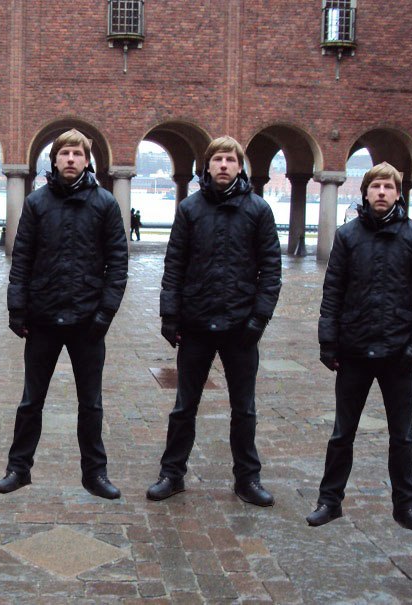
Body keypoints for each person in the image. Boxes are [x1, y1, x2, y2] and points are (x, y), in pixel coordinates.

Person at [146, 136, 282, 505]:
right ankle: (172, 473)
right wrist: (169, 314)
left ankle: (247, 479)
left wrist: (259, 318)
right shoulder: (190, 209)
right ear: (207, 166)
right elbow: (175, 264)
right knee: (184, 406)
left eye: (230, 160)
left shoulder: (258, 210)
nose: (223, 165)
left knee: (244, 408)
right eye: (218, 159)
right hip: (196, 322)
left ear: (240, 166)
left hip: (241, 326)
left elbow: (271, 270)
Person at [0, 129, 128, 499]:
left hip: (88, 320)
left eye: (77, 153)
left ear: (87, 160)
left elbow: (118, 262)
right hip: (43, 317)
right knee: (31, 400)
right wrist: (16, 308)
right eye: (65, 153)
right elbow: (22, 257)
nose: (71, 159)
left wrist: (105, 312)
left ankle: (95, 474)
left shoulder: (104, 203)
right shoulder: (37, 203)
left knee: (91, 404)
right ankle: (18, 468)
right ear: (54, 160)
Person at [307, 162, 412, 532]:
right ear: (365, 192)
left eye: (389, 186)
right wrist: (328, 341)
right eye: (376, 186)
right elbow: (333, 291)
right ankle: (329, 501)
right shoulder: (347, 236)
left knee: (402, 436)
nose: (382, 192)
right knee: (342, 433)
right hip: (354, 350)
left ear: (398, 193)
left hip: (398, 353)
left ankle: (406, 506)